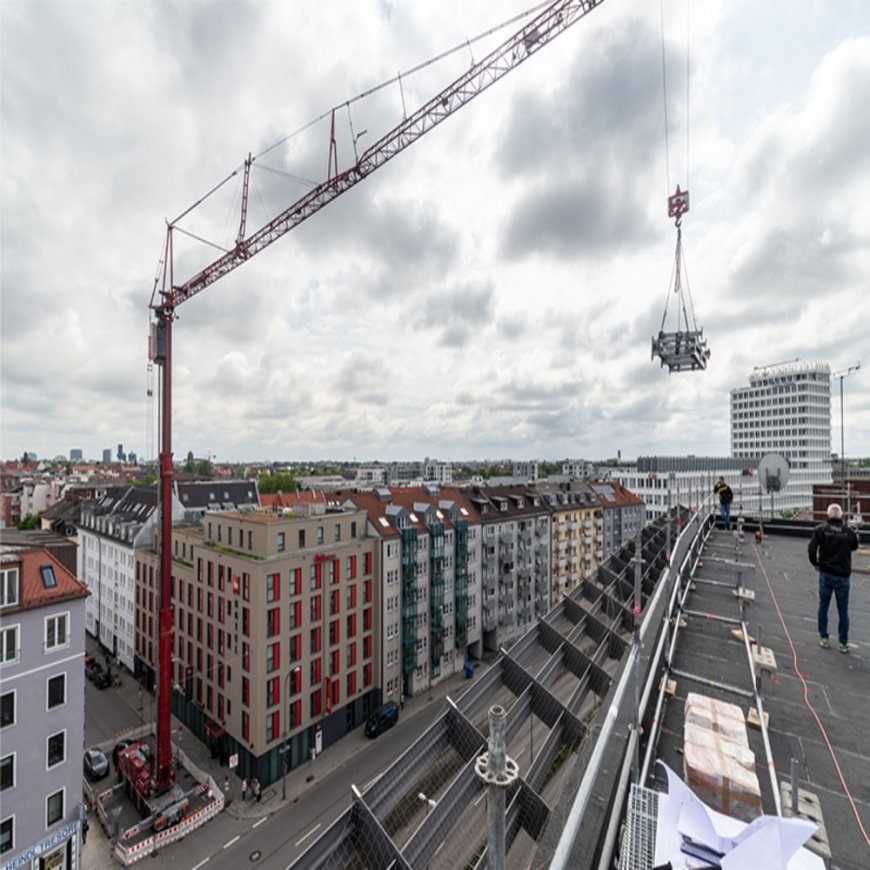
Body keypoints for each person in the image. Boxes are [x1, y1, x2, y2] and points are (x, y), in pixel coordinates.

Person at [809, 504, 858, 653]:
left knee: (823, 606)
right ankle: (843, 642)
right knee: (843, 610)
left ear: (828, 515)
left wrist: (815, 563)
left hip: (826, 573)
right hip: (843, 576)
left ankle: (824, 637)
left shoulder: (821, 530)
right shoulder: (848, 532)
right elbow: (854, 546)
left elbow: (812, 548)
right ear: (841, 517)